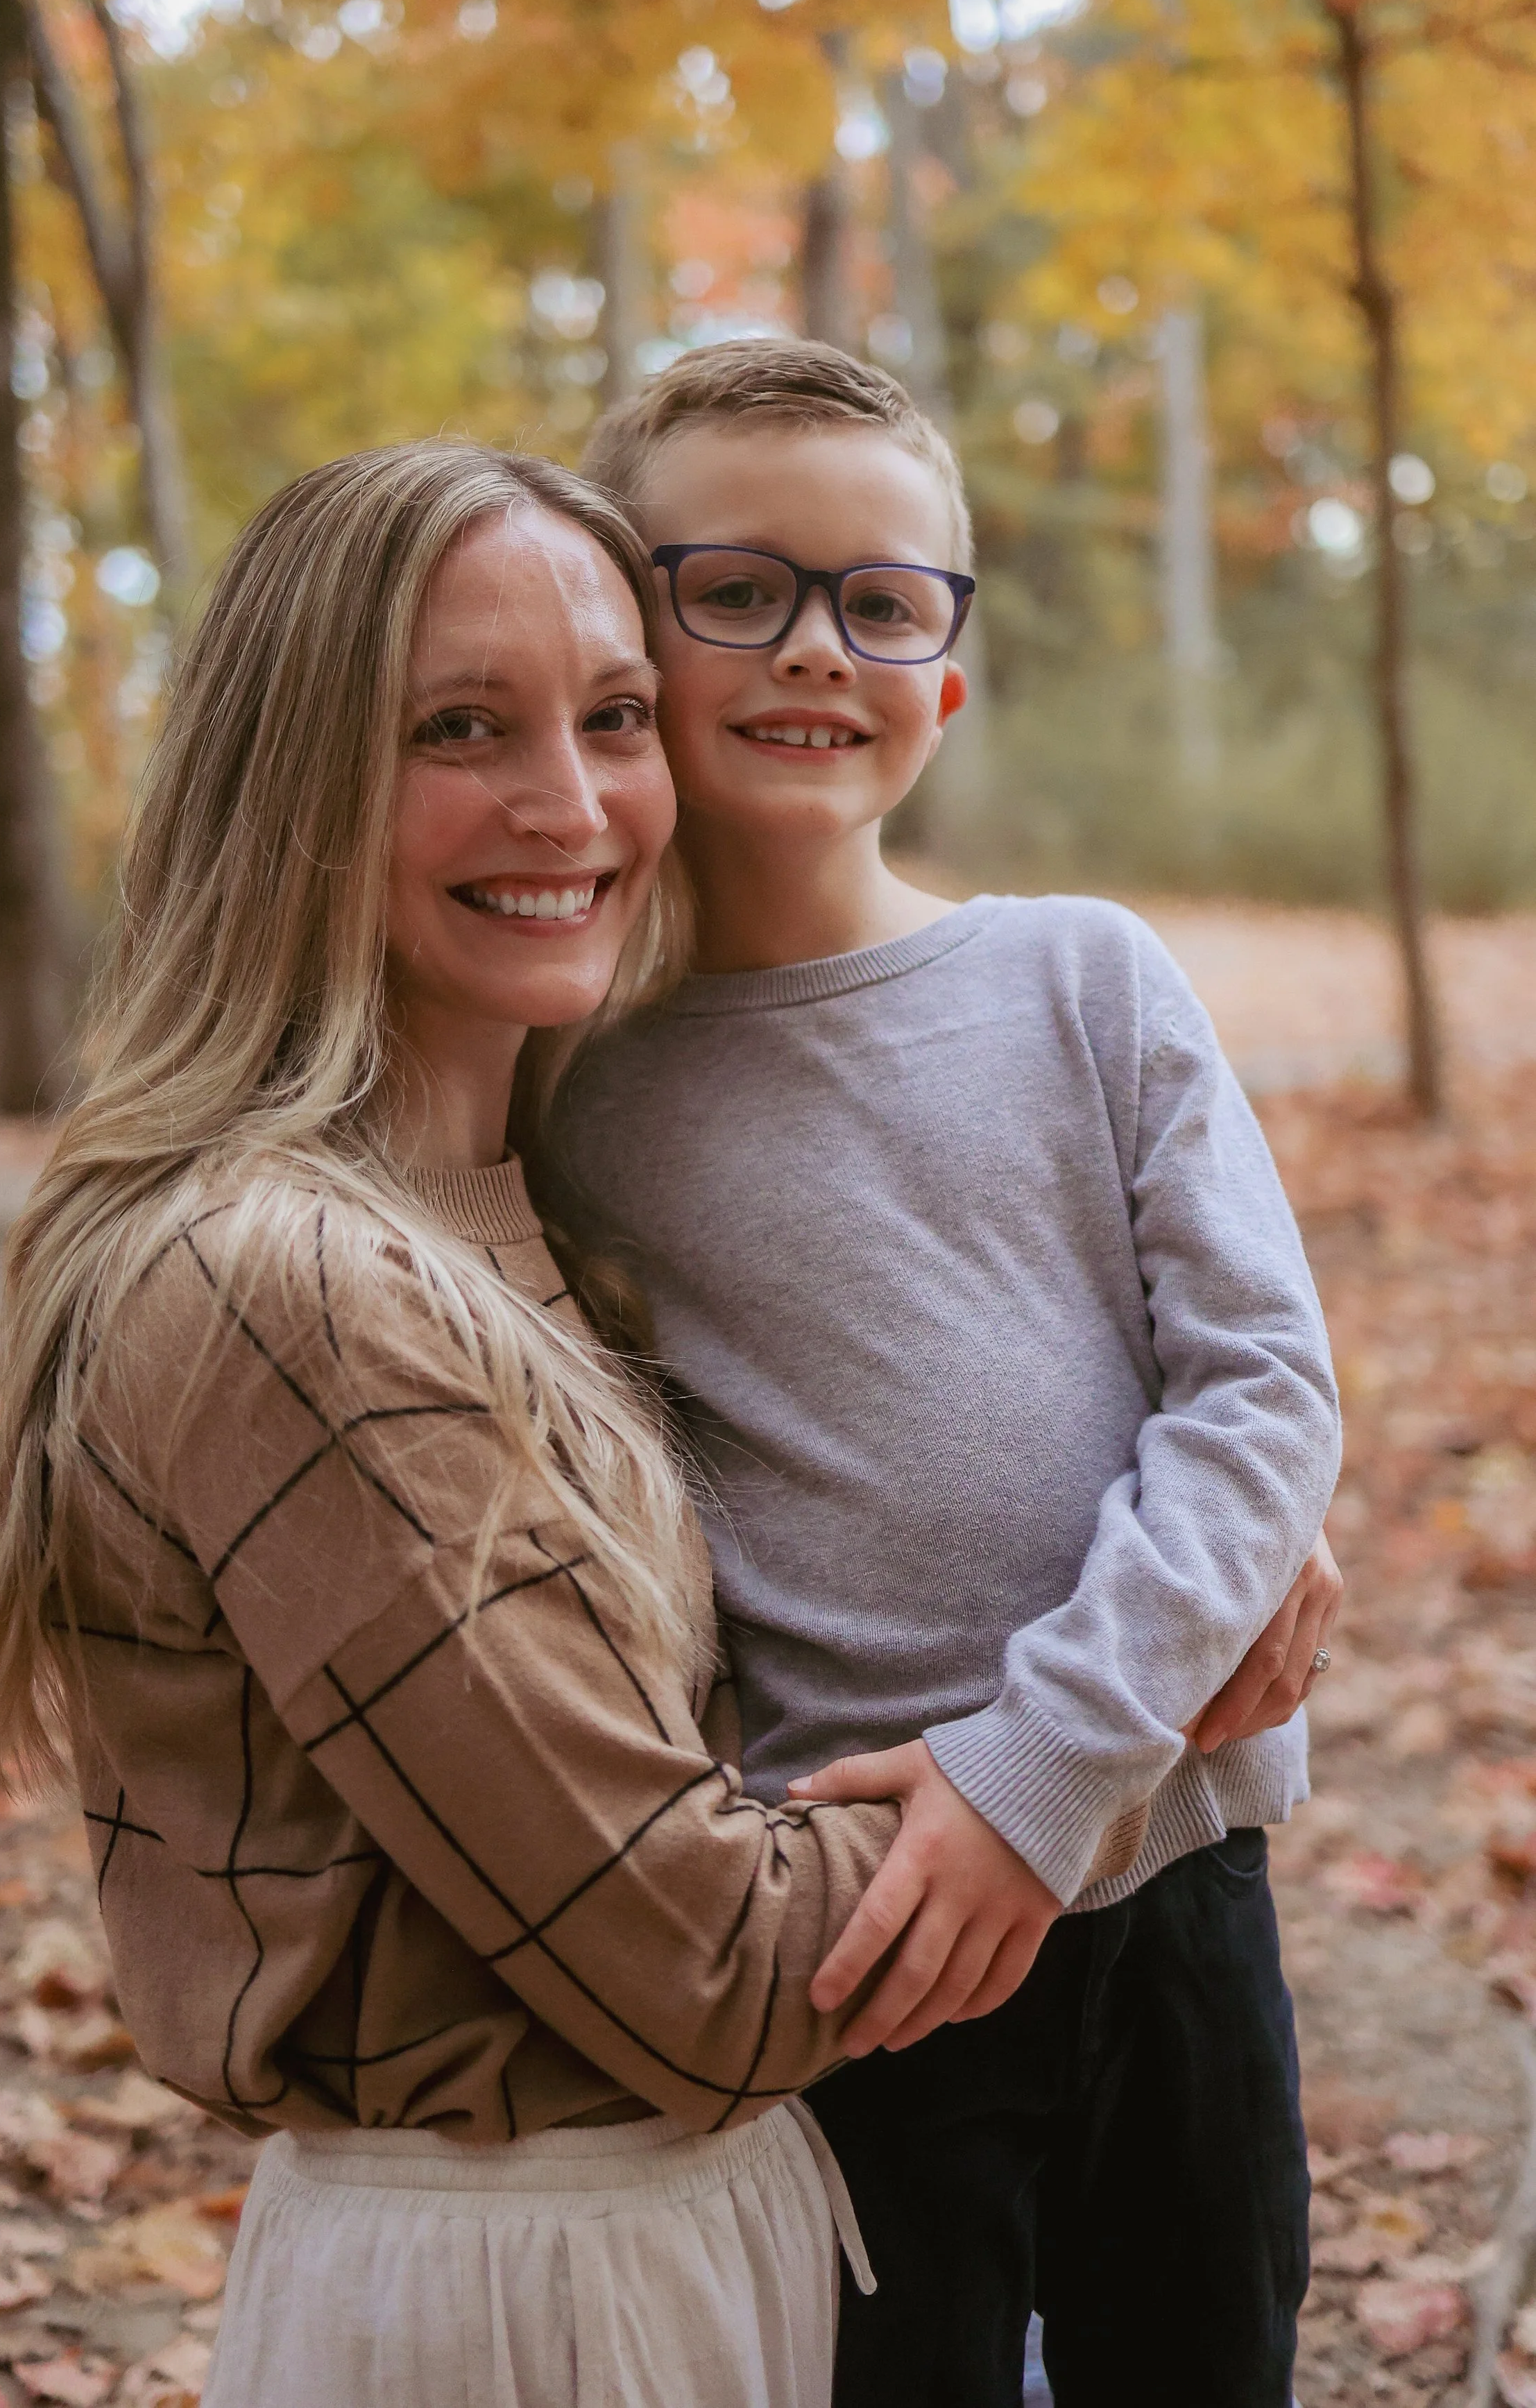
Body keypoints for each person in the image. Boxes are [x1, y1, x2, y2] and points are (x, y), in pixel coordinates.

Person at [0, 441, 935, 2408]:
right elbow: (709, 1973)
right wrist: (1106, 1743)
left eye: (614, 716)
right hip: (523, 2307)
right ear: (293, 788)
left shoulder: (532, 1196)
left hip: (656, 2240)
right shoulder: (280, 1281)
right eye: (459, 728)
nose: (567, 804)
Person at [540, 339, 1345, 2407]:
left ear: (945, 672)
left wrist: (1043, 1767)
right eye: (735, 586)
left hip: (1164, 1869)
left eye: (879, 601)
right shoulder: (562, 1081)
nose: (815, 646)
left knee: (1203, 2354)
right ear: (620, 631)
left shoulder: (1080, 975)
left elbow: (1260, 1393)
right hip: (852, 1923)